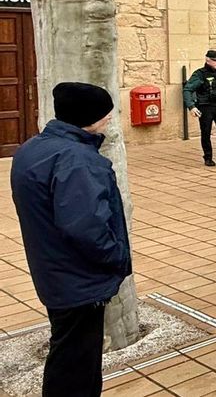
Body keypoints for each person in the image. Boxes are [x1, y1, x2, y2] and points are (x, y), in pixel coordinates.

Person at [11, 83, 129, 397]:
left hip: (54, 271)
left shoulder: (32, 149)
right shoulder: (78, 160)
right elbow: (85, 227)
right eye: (105, 113)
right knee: (75, 364)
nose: (109, 119)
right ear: (88, 117)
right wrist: (116, 256)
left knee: (72, 356)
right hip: (79, 279)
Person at [184, 49, 216, 167]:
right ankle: (208, 157)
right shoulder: (200, 74)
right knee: (206, 133)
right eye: (215, 61)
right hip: (206, 107)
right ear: (207, 60)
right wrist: (191, 106)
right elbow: (187, 89)